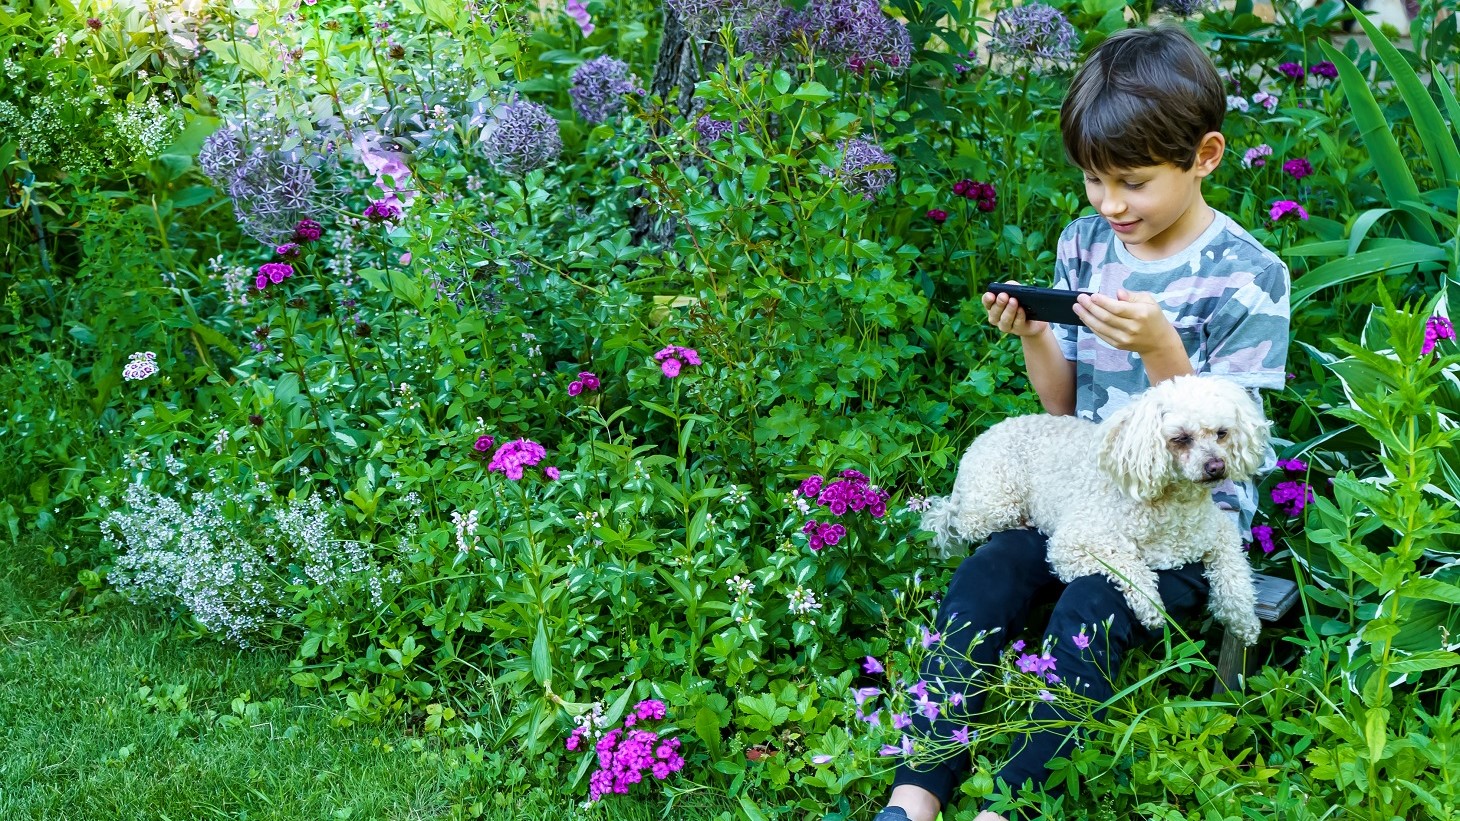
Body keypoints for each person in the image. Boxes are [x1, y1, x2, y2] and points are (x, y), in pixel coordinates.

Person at [871, 23, 1291, 821]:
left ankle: (1016, 800)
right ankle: (918, 785)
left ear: (1204, 156)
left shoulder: (1250, 275)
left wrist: (1166, 346)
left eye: (1131, 181)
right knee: (990, 569)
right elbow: (1061, 408)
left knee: (1091, 603)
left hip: (1185, 522)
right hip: (1085, 492)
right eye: (1095, 180)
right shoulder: (1086, 245)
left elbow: (1228, 452)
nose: (1110, 204)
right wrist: (1035, 331)